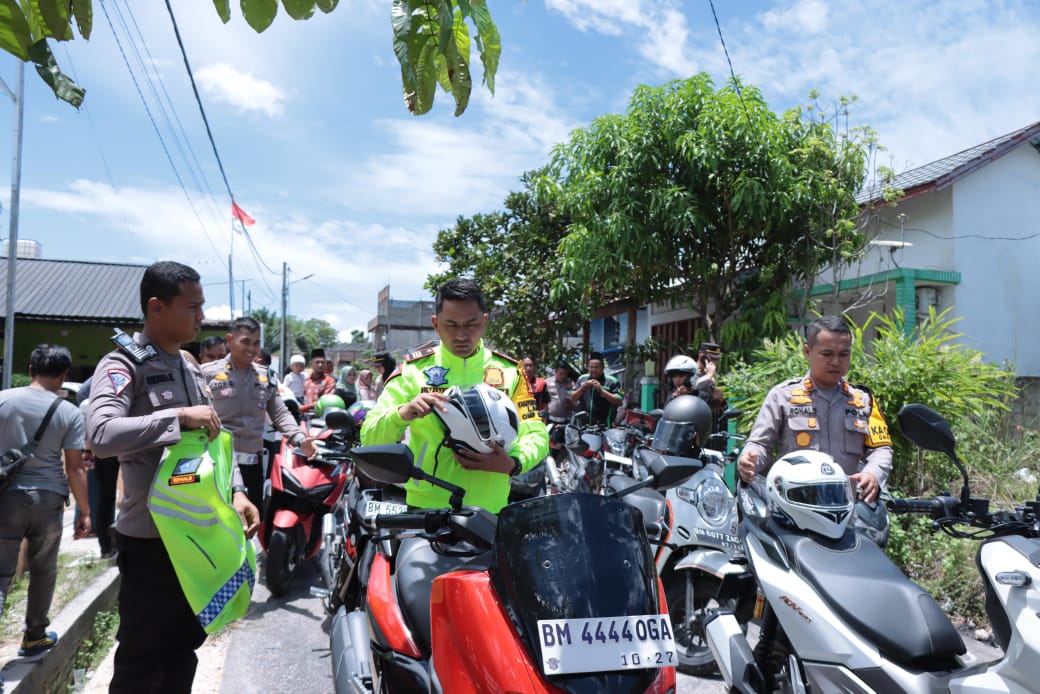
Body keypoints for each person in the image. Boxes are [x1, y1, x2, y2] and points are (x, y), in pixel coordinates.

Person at [87, 261, 260, 693]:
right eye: (193, 307)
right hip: (150, 539)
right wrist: (177, 416)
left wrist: (237, 491)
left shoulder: (187, 363)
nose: (201, 316)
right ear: (156, 307)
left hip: (197, 534)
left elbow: (213, 437)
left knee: (184, 647)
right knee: (143, 657)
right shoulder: (123, 363)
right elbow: (101, 434)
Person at [361, 278, 549, 513]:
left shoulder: (510, 372)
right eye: (451, 325)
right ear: (436, 324)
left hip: (491, 511)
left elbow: (536, 433)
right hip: (424, 512)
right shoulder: (412, 372)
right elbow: (369, 437)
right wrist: (403, 413)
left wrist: (514, 463)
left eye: (471, 324)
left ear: (484, 322)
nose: (462, 335)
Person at [737, 315, 893, 503]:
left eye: (844, 354)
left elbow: (881, 448)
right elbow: (760, 444)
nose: (836, 362)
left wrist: (873, 474)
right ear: (807, 351)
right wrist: (749, 461)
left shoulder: (864, 401)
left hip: (847, 504)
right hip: (794, 503)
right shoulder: (782, 396)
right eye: (827, 354)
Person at [0, 344, 90, 658]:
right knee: (43, 570)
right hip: (49, 501)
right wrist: (85, 511)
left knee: (0, 574)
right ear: (65, 375)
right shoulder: (69, 412)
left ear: (30, 367)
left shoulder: (3, 400)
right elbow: (75, 467)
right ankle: (35, 636)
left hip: (6, 499)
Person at [203, 317, 318, 513]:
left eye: (256, 343)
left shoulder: (266, 376)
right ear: (230, 340)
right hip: (216, 465)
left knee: (249, 526)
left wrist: (300, 438)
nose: (251, 349)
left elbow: (280, 412)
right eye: (245, 342)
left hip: (252, 466)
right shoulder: (207, 374)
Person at [77, 376, 119, 558]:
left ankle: (106, 546)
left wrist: (87, 455)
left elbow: (86, 437)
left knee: (105, 497)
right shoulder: (119, 399)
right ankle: (114, 542)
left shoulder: (87, 404)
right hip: (127, 450)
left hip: (101, 453)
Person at [570, 352, 623, 427]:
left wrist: (602, 390)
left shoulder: (612, 381)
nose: (593, 370)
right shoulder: (582, 379)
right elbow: (572, 398)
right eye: (591, 367)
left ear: (603, 367)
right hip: (583, 425)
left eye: (596, 367)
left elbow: (618, 401)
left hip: (604, 425)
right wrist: (582, 388)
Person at [299, 348, 336, 414]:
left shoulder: (329, 381)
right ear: (311, 363)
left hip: (320, 419)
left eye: (322, 362)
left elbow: (324, 402)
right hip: (304, 418)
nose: (320, 365)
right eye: (317, 362)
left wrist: (304, 408)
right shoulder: (306, 379)